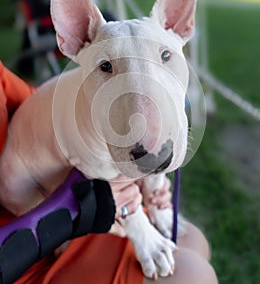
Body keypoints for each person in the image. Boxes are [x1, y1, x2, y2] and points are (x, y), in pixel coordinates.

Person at [0, 61, 218, 284]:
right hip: (21, 244)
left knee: (192, 239)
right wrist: (80, 205)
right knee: (196, 276)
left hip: (57, 201)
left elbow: (35, 105)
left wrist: (131, 160)